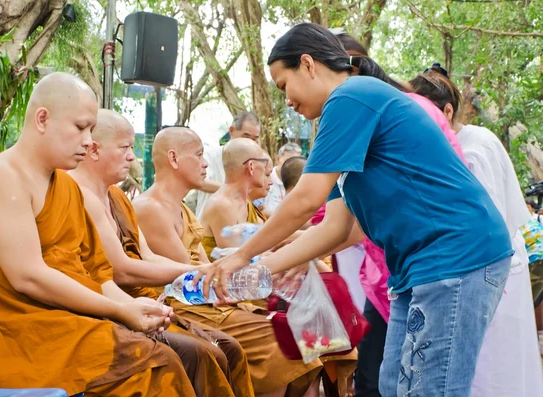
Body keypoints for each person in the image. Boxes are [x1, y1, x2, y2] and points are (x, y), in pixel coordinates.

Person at [201, 23, 513, 397]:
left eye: (284, 85)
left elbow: (304, 201)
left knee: (430, 389)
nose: (286, 100)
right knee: (391, 386)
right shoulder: (343, 119)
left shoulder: (351, 96)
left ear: (308, 64)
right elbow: (338, 230)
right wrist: (262, 268)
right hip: (420, 267)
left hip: (455, 256)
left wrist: (243, 257)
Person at [0, 72, 194, 395]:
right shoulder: (1, 177)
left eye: (92, 130)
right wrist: (121, 311)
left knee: (189, 354)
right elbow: (28, 277)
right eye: (81, 127)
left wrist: (132, 307)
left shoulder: (66, 186)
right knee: (154, 366)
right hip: (22, 333)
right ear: (42, 119)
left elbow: (95, 272)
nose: (88, 141)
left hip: (68, 317)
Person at [68, 108, 254, 397]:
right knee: (205, 355)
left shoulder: (117, 196)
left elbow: (147, 256)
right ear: (94, 150)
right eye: (125, 148)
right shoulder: (79, 194)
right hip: (110, 306)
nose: (132, 157)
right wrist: (200, 272)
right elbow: (121, 269)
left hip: (142, 300)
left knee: (228, 349)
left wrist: (205, 272)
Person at [132, 126, 322, 397]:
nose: (206, 163)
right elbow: (192, 277)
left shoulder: (182, 207)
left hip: (209, 298)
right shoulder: (150, 208)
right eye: (199, 155)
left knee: (303, 337)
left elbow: (203, 266)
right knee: (286, 341)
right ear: (173, 159)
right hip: (184, 305)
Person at [411, 68, 543, 397]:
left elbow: (484, 223)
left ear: (446, 111)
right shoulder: (456, 145)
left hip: (490, 267)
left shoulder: (474, 148)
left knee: (495, 365)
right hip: (483, 267)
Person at [200, 138, 268, 260]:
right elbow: (235, 262)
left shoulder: (244, 201)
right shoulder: (222, 205)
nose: (265, 169)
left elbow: (266, 238)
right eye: (264, 162)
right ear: (251, 167)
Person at [194, 111, 262, 219]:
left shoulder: (257, 162)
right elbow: (200, 182)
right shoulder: (210, 156)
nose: (250, 142)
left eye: (255, 139)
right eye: (246, 136)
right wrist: (234, 190)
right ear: (231, 131)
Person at [263, 143, 302, 215]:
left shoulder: (300, 182)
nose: (292, 166)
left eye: (296, 162)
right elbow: (258, 209)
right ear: (277, 159)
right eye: (288, 161)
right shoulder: (266, 178)